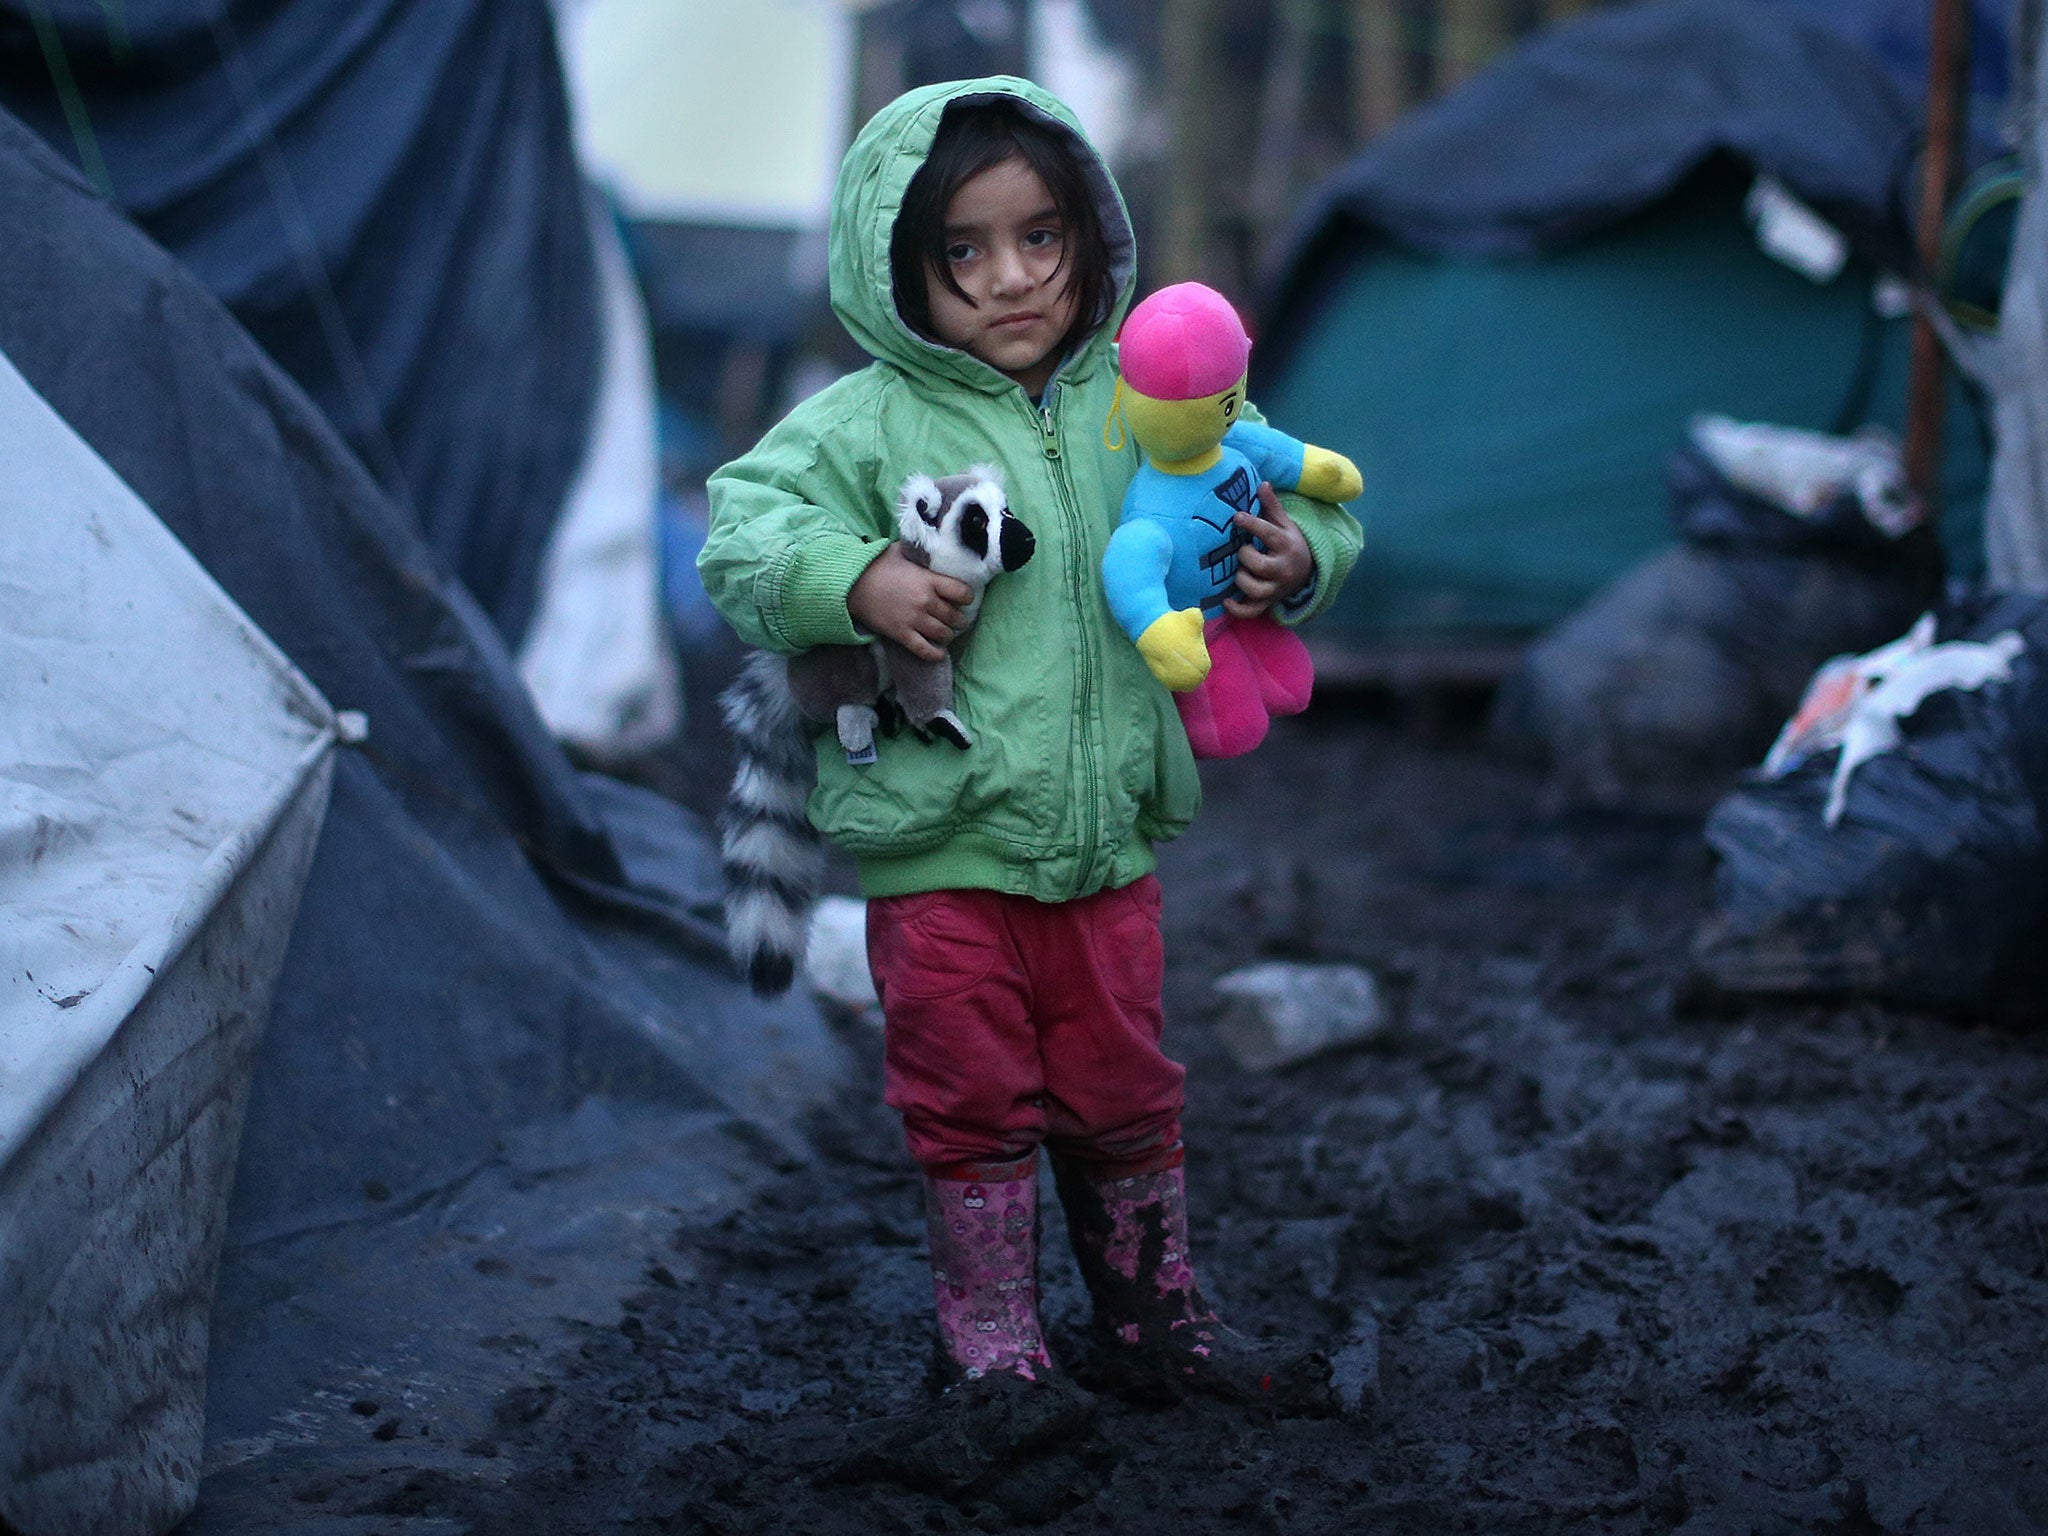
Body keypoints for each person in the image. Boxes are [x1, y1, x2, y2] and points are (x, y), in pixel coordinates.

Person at [699, 77, 1363, 1407]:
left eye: (1040, 238)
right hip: (940, 850)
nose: (1011, 279)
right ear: (902, 267)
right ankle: (990, 1347)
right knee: (970, 1100)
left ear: (1086, 239)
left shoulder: (1145, 397)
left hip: (1108, 839)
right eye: (965, 249)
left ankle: (1149, 1323)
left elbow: (1293, 488)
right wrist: (859, 580)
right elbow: (740, 536)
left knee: (1127, 1086)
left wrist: (1298, 562)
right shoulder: (862, 421)